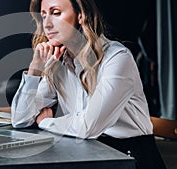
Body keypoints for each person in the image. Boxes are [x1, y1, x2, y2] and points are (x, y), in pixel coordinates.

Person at [11, 0, 166, 169]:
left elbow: (89, 126)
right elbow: (20, 119)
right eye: (43, 15)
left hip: (132, 157)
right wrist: (35, 70)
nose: (47, 24)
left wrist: (46, 122)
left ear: (81, 15)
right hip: (86, 154)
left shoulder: (117, 58)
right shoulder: (56, 64)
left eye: (56, 13)